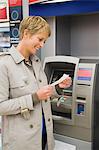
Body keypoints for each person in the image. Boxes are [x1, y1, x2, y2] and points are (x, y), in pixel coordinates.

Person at [0, 16, 72, 150]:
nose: (42, 45)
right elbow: (1, 107)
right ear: (26, 33)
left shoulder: (36, 62)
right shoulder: (4, 64)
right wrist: (34, 98)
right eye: (40, 39)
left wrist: (57, 88)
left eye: (44, 41)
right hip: (22, 141)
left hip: (44, 136)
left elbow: (42, 93)